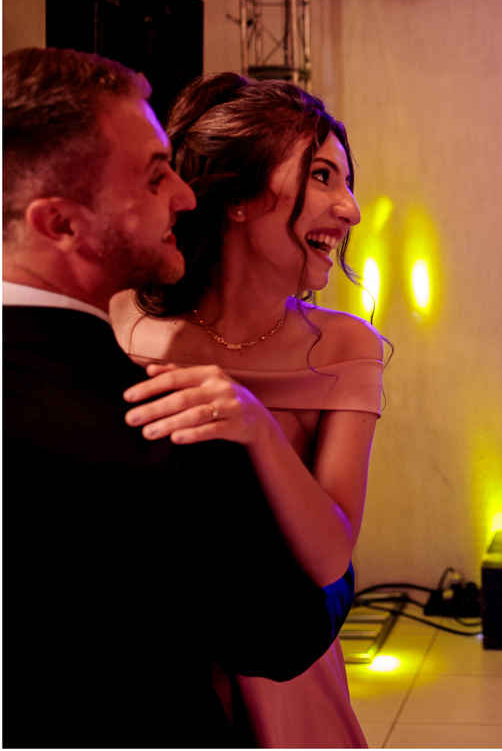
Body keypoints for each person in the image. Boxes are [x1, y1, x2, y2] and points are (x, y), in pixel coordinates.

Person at [2, 47, 354, 747]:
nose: (185, 195)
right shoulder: (168, 421)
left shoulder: (338, 348)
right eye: (154, 175)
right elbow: (285, 630)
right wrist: (337, 581)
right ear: (61, 223)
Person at [109, 72, 386, 747]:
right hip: (153, 667)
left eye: (347, 182)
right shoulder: (125, 322)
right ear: (237, 198)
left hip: (287, 661)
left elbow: (331, 557)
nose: (350, 210)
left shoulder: (345, 347)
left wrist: (257, 427)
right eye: (322, 177)